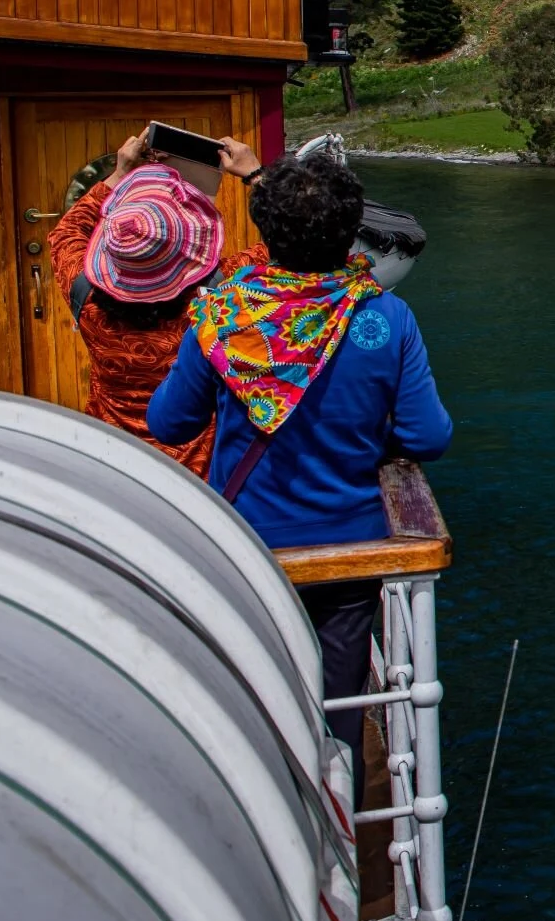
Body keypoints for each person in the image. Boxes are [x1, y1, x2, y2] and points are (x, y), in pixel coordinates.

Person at [148, 153, 451, 795]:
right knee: (339, 698)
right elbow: (429, 435)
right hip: (350, 546)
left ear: (263, 231)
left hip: (250, 546)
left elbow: (171, 423)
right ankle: (335, 809)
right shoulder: (385, 319)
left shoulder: (221, 317)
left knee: (253, 685)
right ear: (350, 233)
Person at [47, 128, 265, 475]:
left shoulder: (84, 294)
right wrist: (256, 174)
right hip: (198, 467)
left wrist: (119, 173)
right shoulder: (225, 292)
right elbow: (296, 238)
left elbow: (67, 230)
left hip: (111, 456)